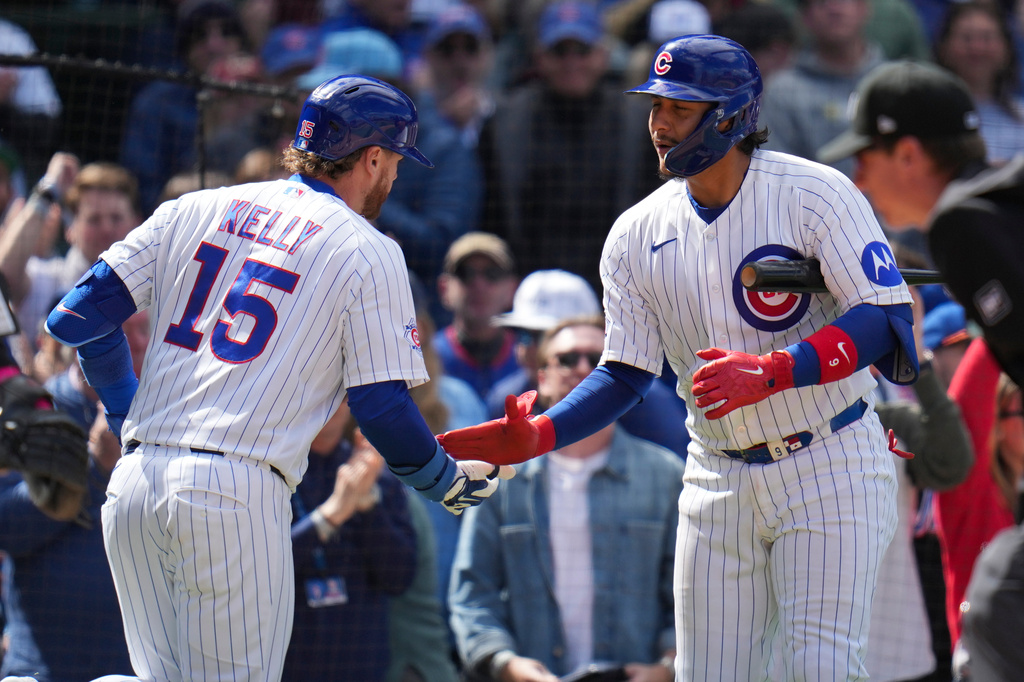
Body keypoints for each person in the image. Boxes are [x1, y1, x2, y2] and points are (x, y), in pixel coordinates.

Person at [440, 35, 919, 681]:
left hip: (828, 456)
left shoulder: (816, 192)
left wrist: (779, 370)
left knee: (821, 667)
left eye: (680, 108)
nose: (660, 124)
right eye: (656, 106)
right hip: (717, 468)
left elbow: (883, 318)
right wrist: (544, 433)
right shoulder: (635, 232)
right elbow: (627, 370)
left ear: (731, 114)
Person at [42, 74, 513, 681]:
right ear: (371, 158)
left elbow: (77, 316)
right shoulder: (368, 248)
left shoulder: (197, 205)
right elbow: (381, 406)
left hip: (134, 483)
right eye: (394, 162)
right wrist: (442, 480)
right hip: (234, 491)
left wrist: (123, 410)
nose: (394, 178)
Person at [449, 314, 684, 681]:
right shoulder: (501, 478)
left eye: (599, 360)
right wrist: (505, 664)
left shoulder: (666, 475)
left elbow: (687, 593)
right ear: (541, 378)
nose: (584, 368)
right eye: (568, 358)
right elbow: (473, 593)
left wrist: (668, 667)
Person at [817, 59, 1024, 391]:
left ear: (908, 155)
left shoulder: (960, 221)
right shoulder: (991, 204)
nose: (859, 182)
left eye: (864, 160)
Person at [477, 0, 662, 292]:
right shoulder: (505, 121)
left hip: (617, 285)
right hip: (527, 285)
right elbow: (490, 214)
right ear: (539, 56)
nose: (571, 62)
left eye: (582, 51)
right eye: (559, 51)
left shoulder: (638, 122)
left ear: (603, 55)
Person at [488, 271, 691, 458]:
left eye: (543, 336)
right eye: (523, 335)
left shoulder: (645, 399)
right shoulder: (506, 399)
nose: (530, 348)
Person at [283, 404, 417, 681]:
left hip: (361, 666)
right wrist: (329, 516)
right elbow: (260, 572)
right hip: (289, 665)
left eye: (340, 393)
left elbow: (400, 579)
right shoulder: (273, 476)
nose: (331, 403)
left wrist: (368, 505)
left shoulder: (375, 474)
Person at [758, 0, 889, 179]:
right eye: (821, 2)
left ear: (864, 8)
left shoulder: (894, 84)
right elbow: (776, 171)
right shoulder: (782, 91)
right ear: (805, 17)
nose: (834, 9)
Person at [933, 1, 1024, 163]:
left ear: (1007, 48)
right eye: (967, 38)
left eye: (987, 38)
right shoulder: (927, 116)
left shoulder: (1021, 115)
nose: (977, 48)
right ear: (944, 47)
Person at [434, 232, 521, 401]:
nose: (479, 284)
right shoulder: (426, 360)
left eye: (492, 274)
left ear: (512, 289)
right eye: (466, 273)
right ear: (444, 288)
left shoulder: (529, 359)